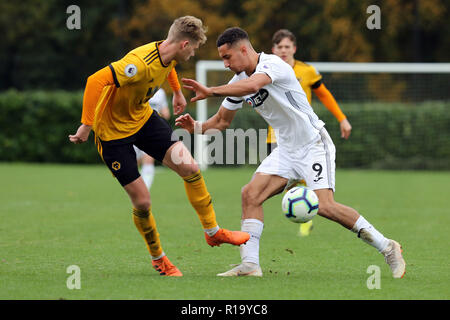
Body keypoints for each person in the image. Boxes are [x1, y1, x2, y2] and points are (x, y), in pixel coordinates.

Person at [176, 27, 405, 278]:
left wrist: (211, 90)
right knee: (250, 195)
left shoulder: (273, 64)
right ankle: (250, 265)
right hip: (286, 151)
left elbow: (254, 84)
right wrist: (195, 127)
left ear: (243, 49)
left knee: (325, 207)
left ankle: (388, 247)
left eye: (227, 57)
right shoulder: (237, 82)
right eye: (222, 58)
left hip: (313, 144)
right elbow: (221, 122)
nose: (225, 63)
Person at [69, 17, 250, 277]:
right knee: (142, 202)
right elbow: (95, 81)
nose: (194, 53)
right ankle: (159, 259)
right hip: (112, 134)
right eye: (194, 48)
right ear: (185, 44)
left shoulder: (168, 53)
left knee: (189, 166)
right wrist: (86, 125)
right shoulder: (137, 65)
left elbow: (169, 67)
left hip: (142, 119)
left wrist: (176, 92)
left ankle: (213, 232)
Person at [270, 29, 353, 237]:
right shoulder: (267, 71)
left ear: (294, 49)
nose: (283, 50)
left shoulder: (306, 71)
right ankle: (301, 210)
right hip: (276, 137)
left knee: (309, 182)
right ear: (273, 49)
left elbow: (324, 94)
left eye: (287, 47)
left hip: (305, 137)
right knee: (285, 183)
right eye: (279, 47)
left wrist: (342, 118)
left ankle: (305, 215)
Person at [134, 88, 170, 190]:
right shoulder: (138, 87)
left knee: (149, 160)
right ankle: (135, 189)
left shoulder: (160, 92)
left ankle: (144, 190)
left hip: (151, 131)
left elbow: (166, 113)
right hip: (133, 130)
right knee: (134, 162)